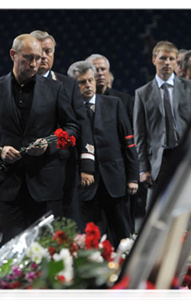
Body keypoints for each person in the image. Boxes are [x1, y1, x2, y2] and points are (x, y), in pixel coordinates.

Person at [0, 34, 79, 247]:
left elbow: (72, 128)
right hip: (8, 185)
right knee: (13, 248)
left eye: (38, 58)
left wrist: (48, 145)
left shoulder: (56, 89)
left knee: (48, 248)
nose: (34, 64)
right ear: (13, 55)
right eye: (28, 58)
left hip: (47, 185)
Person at [68, 61, 138, 247]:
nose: (88, 85)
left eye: (90, 80)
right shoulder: (69, 112)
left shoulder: (114, 103)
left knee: (123, 231)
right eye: (82, 82)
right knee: (92, 236)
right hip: (86, 186)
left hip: (116, 181)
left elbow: (129, 142)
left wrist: (133, 177)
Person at [30, 30, 95, 229]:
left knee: (68, 226)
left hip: (65, 168)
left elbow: (82, 123)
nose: (43, 57)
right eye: (39, 52)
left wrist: (87, 165)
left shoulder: (68, 85)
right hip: (32, 169)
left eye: (48, 51)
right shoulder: (21, 86)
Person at [134, 41, 191, 210]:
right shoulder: (142, 93)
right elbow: (140, 135)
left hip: (185, 154)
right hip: (159, 160)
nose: (167, 62)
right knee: (155, 210)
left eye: (171, 59)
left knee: (190, 207)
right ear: (154, 60)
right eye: (163, 58)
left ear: (176, 62)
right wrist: (143, 168)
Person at [85, 54, 135, 124]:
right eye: (96, 70)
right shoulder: (80, 101)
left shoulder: (124, 99)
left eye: (103, 69)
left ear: (109, 72)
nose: (100, 73)